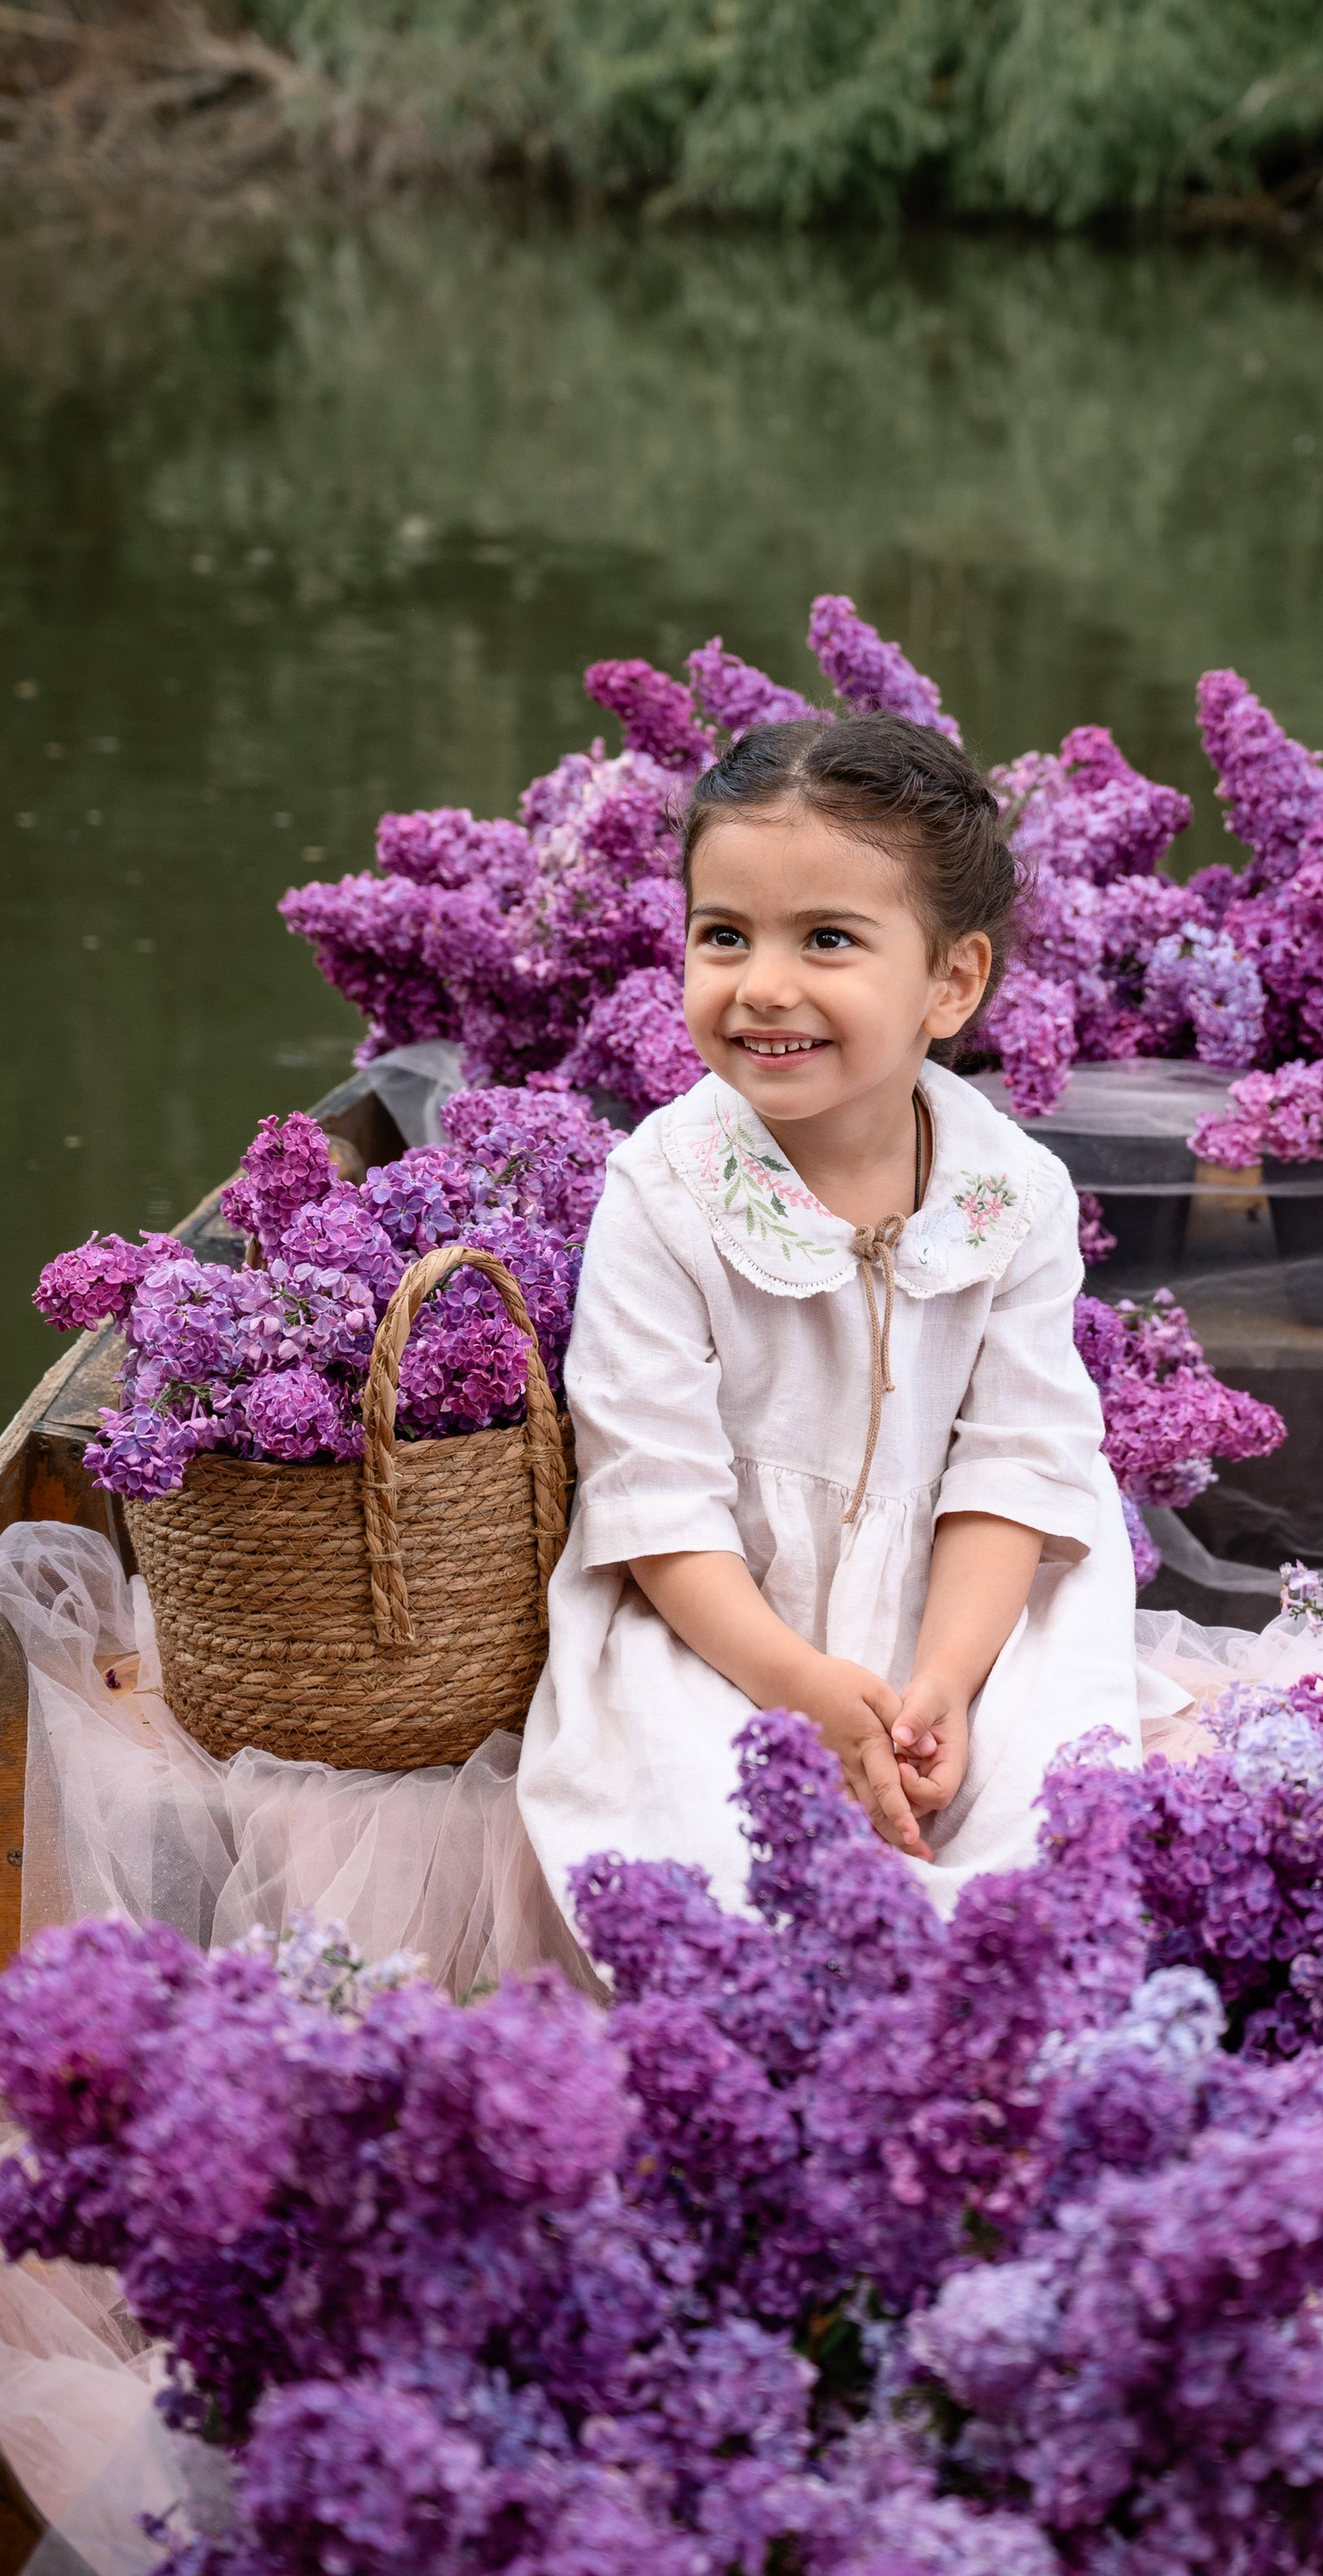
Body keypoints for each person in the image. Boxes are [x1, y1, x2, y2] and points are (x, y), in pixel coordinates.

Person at [517, 709, 1176, 1923]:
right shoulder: (664, 1191)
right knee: (706, 1849)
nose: (763, 986)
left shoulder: (1011, 1193)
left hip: (958, 1606)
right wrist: (801, 1688)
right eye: (724, 936)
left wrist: (942, 1686)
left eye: (827, 938)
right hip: (717, 1617)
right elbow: (654, 1498)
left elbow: (1017, 1466)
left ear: (951, 980)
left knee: (1050, 1822)